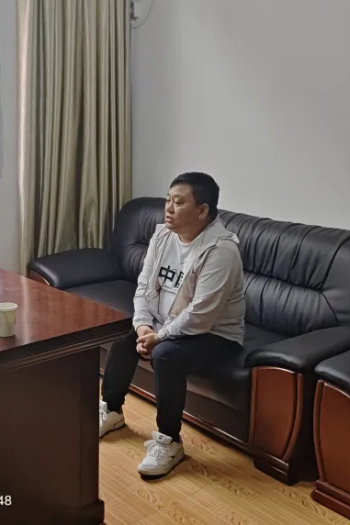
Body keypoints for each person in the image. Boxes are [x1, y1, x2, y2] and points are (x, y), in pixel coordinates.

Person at [99, 172, 246, 480]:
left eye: (178, 202)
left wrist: (160, 337)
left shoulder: (221, 251)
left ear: (202, 210)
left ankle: (169, 441)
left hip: (215, 334)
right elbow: (143, 287)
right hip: (165, 323)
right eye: (168, 200)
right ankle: (111, 410)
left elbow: (201, 315)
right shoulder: (163, 235)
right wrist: (143, 325)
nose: (168, 208)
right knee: (125, 335)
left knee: (166, 355)